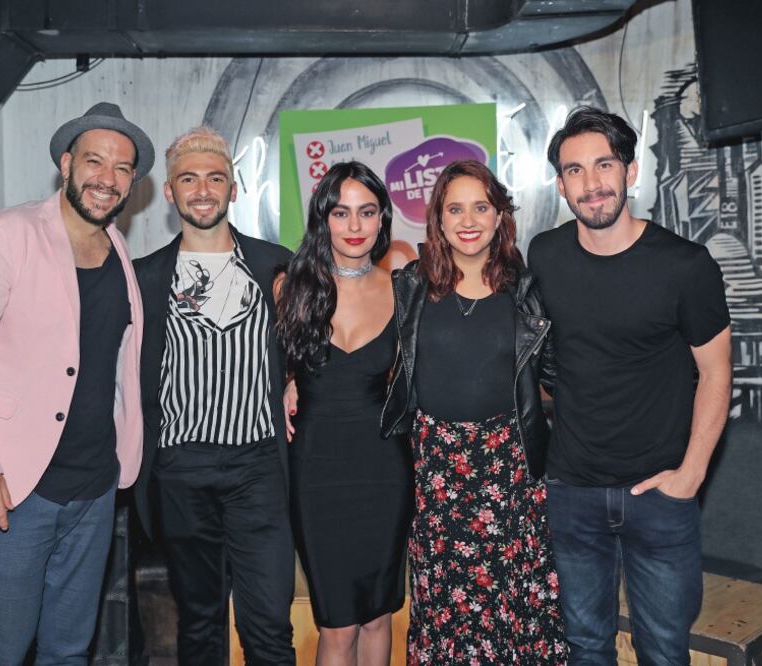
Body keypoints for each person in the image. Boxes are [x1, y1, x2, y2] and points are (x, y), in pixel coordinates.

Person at [0, 102, 152, 665]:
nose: (107, 178)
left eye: (122, 168)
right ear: (66, 162)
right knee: (1, 652)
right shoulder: (8, 234)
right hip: (15, 488)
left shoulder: (119, 250)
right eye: (94, 161)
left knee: (70, 650)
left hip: (96, 488)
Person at [528, 106, 732, 665]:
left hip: (660, 496)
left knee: (664, 652)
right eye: (574, 171)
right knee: (586, 648)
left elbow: (716, 372)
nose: (592, 185)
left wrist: (689, 476)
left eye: (603, 166)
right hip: (572, 491)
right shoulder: (544, 256)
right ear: (561, 184)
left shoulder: (685, 266)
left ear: (631, 172)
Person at [381, 159, 567, 664]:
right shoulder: (408, 288)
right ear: (437, 220)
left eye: (480, 207)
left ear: (500, 215)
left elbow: (564, 374)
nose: (468, 220)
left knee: (512, 612)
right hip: (437, 476)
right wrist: (289, 381)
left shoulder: (526, 291)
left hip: (509, 474)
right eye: (454, 208)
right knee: (447, 614)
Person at [132, 126, 295, 665]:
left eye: (215, 177)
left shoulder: (278, 264)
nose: (203, 189)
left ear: (234, 188)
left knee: (269, 624)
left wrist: (296, 381)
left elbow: (308, 347)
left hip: (259, 468)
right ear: (171, 193)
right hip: (182, 467)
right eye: (188, 179)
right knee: (200, 625)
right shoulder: (145, 277)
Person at [276, 161, 412, 666]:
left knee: (378, 616)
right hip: (316, 473)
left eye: (367, 212)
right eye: (341, 213)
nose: (354, 227)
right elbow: (261, 369)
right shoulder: (290, 288)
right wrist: (286, 382)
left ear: (382, 219)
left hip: (385, 470)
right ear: (323, 218)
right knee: (336, 626)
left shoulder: (403, 290)